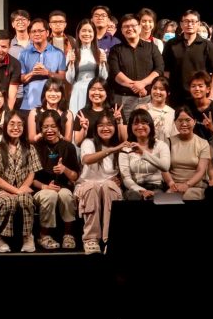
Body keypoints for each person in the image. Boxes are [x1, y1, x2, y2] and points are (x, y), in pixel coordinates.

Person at [0, 110, 41, 253]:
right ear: (5, 126)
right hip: (1, 190)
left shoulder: (29, 148)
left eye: (19, 124)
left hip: (22, 189)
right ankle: (1, 238)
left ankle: (27, 237)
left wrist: (21, 190)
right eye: (12, 124)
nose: (16, 127)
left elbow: (32, 173)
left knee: (25, 199)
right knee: (8, 201)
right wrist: (16, 191)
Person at [75, 114, 124, 254]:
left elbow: (124, 169)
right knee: (93, 187)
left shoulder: (119, 145)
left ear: (115, 127)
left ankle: (110, 240)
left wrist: (120, 179)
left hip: (109, 185)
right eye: (101, 125)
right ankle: (91, 239)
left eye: (109, 124)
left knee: (109, 187)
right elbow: (87, 159)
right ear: (95, 128)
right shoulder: (88, 142)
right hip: (87, 184)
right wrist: (111, 150)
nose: (105, 128)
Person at [31, 110, 80, 249]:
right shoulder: (35, 148)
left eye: (53, 126)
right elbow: (29, 179)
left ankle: (68, 235)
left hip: (63, 187)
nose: (49, 130)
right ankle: (44, 236)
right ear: (40, 129)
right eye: (45, 127)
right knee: (49, 195)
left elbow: (75, 176)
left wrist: (65, 169)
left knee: (66, 195)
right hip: (41, 189)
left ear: (59, 128)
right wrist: (44, 187)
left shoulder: (68, 147)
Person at [108, 13, 164, 122]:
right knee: (124, 129)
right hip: (123, 99)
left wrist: (143, 84)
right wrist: (137, 87)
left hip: (148, 98)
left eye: (133, 25)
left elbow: (159, 69)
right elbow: (115, 73)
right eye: (126, 26)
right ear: (122, 30)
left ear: (139, 27)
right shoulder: (115, 50)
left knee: (149, 127)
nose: (130, 29)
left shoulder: (152, 47)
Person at [163, 10, 213, 107]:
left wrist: (211, 96)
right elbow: (166, 71)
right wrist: (167, 92)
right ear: (181, 24)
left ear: (198, 24)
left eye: (193, 21)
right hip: (176, 97)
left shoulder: (208, 46)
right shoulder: (171, 44)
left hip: (200, 96)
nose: (189, 24)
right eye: (186, 21)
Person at [117, 108, 171, 199]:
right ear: (131, 127)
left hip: (156, 187)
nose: (140, 126)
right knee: (133, 196)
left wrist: (143, 153)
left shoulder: (161, 145)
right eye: (136, 123)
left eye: (143, 123)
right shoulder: (126, 149)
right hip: (134, 188)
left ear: (150, 125)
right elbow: (126, 178)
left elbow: (165, 166)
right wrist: (141, 190)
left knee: (155, 198)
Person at [161, 106, 211, 200]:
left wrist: (187, 185)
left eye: (188, 120)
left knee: (187, 197)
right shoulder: (168, 142)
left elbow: (201, 170)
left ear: (194, 121)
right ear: (175, 122)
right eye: (180, 120)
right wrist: (171, 184)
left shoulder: (203, 143)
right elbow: (164, 169)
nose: (184, 124)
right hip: (173, 186)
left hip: (195, 187)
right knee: (168, 198)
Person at [19, 19, 66, 114]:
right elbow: (20, 79)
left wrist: (47, 73)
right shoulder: (23, 54)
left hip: (52, 103)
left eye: (40, 31)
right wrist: (33, 73)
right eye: (33, 31)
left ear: (47, 33)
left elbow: (62, 78)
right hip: (29, 103)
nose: (37, 34)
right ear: (30, 34)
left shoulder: (58, 53)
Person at [65, 19, 109, 115]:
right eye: (84, 31)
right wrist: (71, 64)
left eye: (90, 31)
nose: (87, 34)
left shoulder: (100, 52)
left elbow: (103, 78)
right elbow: (70, 79)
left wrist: (102, 63)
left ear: (94, 34)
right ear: (78, 33)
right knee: (78, 119)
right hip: (78, 90)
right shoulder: (72, 52)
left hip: (95, 92)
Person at [135, 77, 176, 145]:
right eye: (155, 88)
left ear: (168, 92)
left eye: (161, 89)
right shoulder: (141, 109)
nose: (157, 92)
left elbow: (174, 138)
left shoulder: (172, 113)